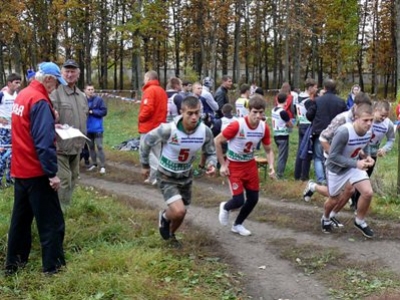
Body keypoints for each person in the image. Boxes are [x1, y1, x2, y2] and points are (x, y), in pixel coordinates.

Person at [5, 62, 66, 275]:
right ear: (48, 79)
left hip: (20, 169)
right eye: (57, 82)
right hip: (37, 171)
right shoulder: (39, 100)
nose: (56, 87)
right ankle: (53, 267)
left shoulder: (23, 95)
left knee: (20, 221)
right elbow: (43, 143)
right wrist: (52, 174)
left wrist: (50, 123)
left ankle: (14, 264)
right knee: (51, 222)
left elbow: (26, 128)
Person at [140, 96, 217, 247]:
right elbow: (147, 141)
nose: (194, 117)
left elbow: (211, 152)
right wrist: (145, 165)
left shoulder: (205, 131)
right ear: (181, 112)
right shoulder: (169, 129)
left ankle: (171, 235)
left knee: (182, 212)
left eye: (197, 113)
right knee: (178, 211)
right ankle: (164, 216)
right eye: (190, 113)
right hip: (166, 175)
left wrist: (211, 164)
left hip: (186, 176)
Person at [216, 94, 275, 236]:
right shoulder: (237, 125)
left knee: (253, 198)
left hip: (249, 164)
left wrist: (271, 166)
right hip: (234, 165)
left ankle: (237, 224)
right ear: (249, 111)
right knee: (238, 200)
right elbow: (217, 141)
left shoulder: (263, 128)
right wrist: (223, 165)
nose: (257, 116)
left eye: (261, 113)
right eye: (254, 112)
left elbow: (269, 150)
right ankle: (225, 207)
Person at [303, 92, 372, 204]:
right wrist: (334, 155)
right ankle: (313, 186)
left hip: (351, 159)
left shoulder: (367, 121)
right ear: (355, 106)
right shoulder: (342, 119)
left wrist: (364, 153)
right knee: (333, 194)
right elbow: (323, 138)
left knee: (351, 189)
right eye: (363, 108)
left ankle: (343, 208)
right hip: (334, 158)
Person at [319, 103, 375, 238]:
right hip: (336, 168)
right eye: (365, 120)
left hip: (353, 166)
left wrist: (368, 158)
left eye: (371, 120)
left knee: (367, 193)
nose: (369, 124)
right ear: (356, 118)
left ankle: (359, 221)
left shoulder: (369, 132)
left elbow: (364, 146)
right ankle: (325, 218)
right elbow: (332, 156)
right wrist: (356, 163)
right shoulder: (344, 132)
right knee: (334, 199)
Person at [51, 59, 88, 207]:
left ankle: (65, 207)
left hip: (77, 146)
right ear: (61, 74)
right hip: (60, 147)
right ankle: (61, 213)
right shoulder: (55, 94)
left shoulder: (82, 96)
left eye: (73, 71)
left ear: (78, 74)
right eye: (67, 71)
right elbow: (48, 119)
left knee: (74, 177)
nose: (70, 74)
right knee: (64, 180)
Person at [306, 78, 347, 184]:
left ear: (324, 88)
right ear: (335, 88)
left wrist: (315, 120)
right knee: (333, 155)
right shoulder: (341, 102)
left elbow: (309, 115)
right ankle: (332, 179)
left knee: (318, 157)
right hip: (336, 134)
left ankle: (321, 179)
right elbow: (346, 117)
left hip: (320, 132)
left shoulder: (318, 100)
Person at [138, 70, 168, 185]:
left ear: (148, 78)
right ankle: (153, 177)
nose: (144, 80)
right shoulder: (161, 91)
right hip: (160, 126)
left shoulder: (149, 90)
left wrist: (140, 118)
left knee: (146, 150)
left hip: (149, 126)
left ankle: (156, 175)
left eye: (145, 78)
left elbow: (148, 108)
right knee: (157, 152)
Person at [0, 73, 22, 187]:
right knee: (2, 155)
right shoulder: (2, 95)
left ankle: (10, 179)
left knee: (13, 155)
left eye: (19, 82)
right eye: (16, 83)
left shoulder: (17, 95)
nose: (18, 85)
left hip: (14, 129)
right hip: (3, 130)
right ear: (9, 83)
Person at [294, 78, 317, 181]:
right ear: (310, 88)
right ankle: (304, 176)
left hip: (301, 124)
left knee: (300, 150)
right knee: (306, 151)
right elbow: (312, 113)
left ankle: (297, 174)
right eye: (315, 87)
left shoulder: (298, 96)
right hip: (307, 125)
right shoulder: (308, 100)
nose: (317, 89)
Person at [84, 84, 108, 174]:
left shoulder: (99, 100)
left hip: (97, 128)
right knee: (91, 147)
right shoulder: (83, 101)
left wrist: (92, 112)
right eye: (89, 89)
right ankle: (94, 163)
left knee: (99, 146)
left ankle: (102, 166)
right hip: (87, 128)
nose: (91, 91)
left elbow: (104, 111)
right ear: (85, 91)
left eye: (92, 89)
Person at [271, 93, 293, 179]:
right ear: (286, 101)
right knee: (282, 156)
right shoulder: (283, 112)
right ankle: (279, 174)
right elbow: (289, 124)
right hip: (283, 135)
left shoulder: (273, 110)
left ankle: (279, 172)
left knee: (281, 154)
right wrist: (291, 125)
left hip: (276, 134)